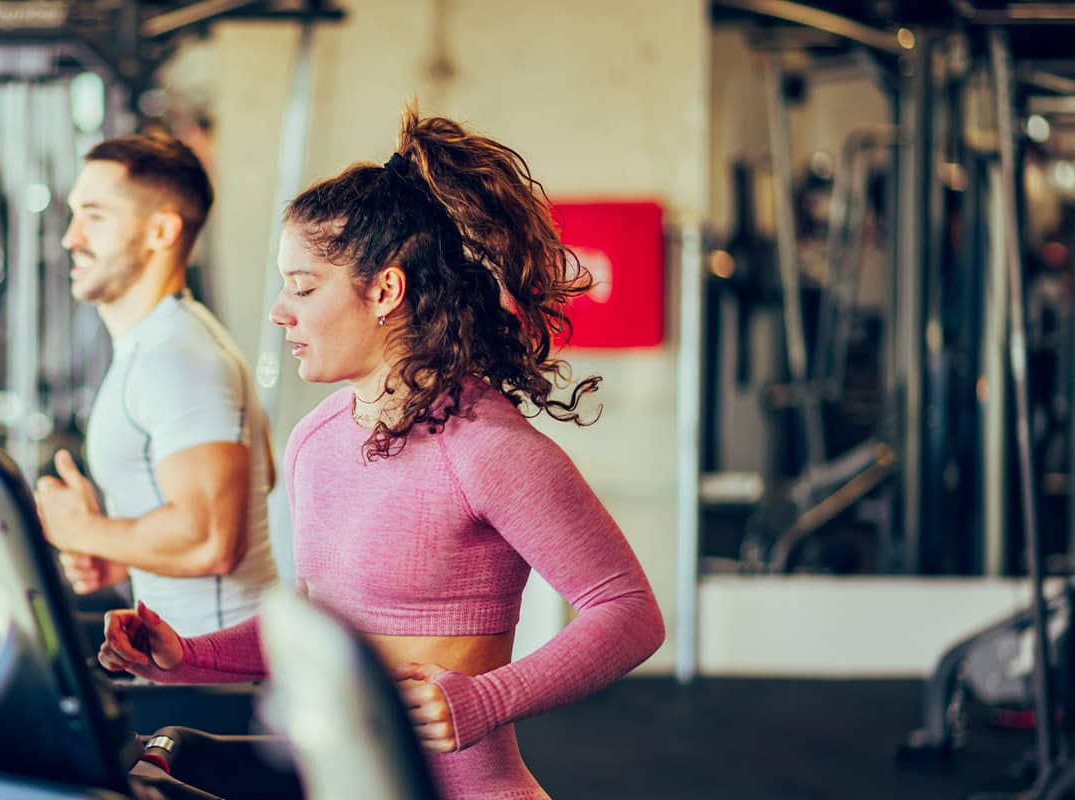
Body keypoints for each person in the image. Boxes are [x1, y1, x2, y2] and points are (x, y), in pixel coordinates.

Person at [95, 109, 665, 799]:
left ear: (386, 291)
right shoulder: (316, 438)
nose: (280, 311)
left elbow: (629, 612)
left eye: (303, 287)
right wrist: (186, 656)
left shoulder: (484, 448)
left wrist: (488, 699)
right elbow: (321, 633)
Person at [34, 132, 280, 637]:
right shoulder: (161, 343)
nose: (71, 237)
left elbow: (212, 539)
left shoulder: (179, 356)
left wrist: (86, 530)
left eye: (95, 216)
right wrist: (126, 554)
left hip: (222, 690)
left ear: (161, 232)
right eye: (75, 213)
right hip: (187, 663)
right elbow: (260, 478)